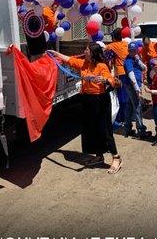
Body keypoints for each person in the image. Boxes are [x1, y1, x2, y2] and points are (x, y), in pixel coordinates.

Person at [47, 44, 122, 174]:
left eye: (87, 49)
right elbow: (68, 59)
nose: (84, 51)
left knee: (104, 129)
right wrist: (55, 53)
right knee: (91, 129)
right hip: (87, 100)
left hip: (100, 100)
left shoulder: (101, 66)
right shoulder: (83, 64)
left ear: (92, 53)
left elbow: (111, 80)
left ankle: (116, 157)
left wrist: (104, 79)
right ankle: (99, 156)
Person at [123, 42, 152, 139]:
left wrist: (138, 60)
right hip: (132, 86)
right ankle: (141, 130)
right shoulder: (128, 61)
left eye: (134, 50)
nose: (132, 52)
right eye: (131, 51)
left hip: (135, 85)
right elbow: (131, 76)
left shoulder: (135, 58)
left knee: (130, 106)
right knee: (137, 106)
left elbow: (144, 68)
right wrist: (137, 89)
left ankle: (127, 129)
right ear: (128, 50)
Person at [106, 29, 130, 126]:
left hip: (121, 73)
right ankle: (125, 117)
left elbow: (104, 48)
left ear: (114, 38)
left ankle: (121, 118)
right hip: (128, 71)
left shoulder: (113, 45)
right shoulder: (125, 43)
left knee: (121, 96)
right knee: (126, 95)